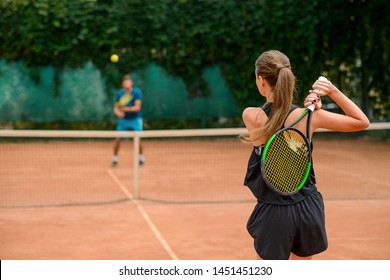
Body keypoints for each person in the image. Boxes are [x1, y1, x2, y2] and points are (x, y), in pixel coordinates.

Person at [241, 50, 369, 260]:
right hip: (308, 208)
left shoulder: (251, 115)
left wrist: (309, 110)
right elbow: (362, 122)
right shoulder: (309, 117)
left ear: (260, 79)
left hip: (275, 212)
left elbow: (275, 124)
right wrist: (332, 92)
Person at [112, 75, 144, 167]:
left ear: (131, 83)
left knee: (137, 140)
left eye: (128, 82)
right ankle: (115, 159)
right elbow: (116, 108)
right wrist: (118, 113)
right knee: (117, 140)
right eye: (125, 83)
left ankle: (141, 157)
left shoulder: (137, 92)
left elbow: (137, 107)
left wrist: (126, 109)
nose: (127, 84)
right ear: (123, 84)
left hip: (135, 119)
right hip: (123, 121)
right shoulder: (120, 94)